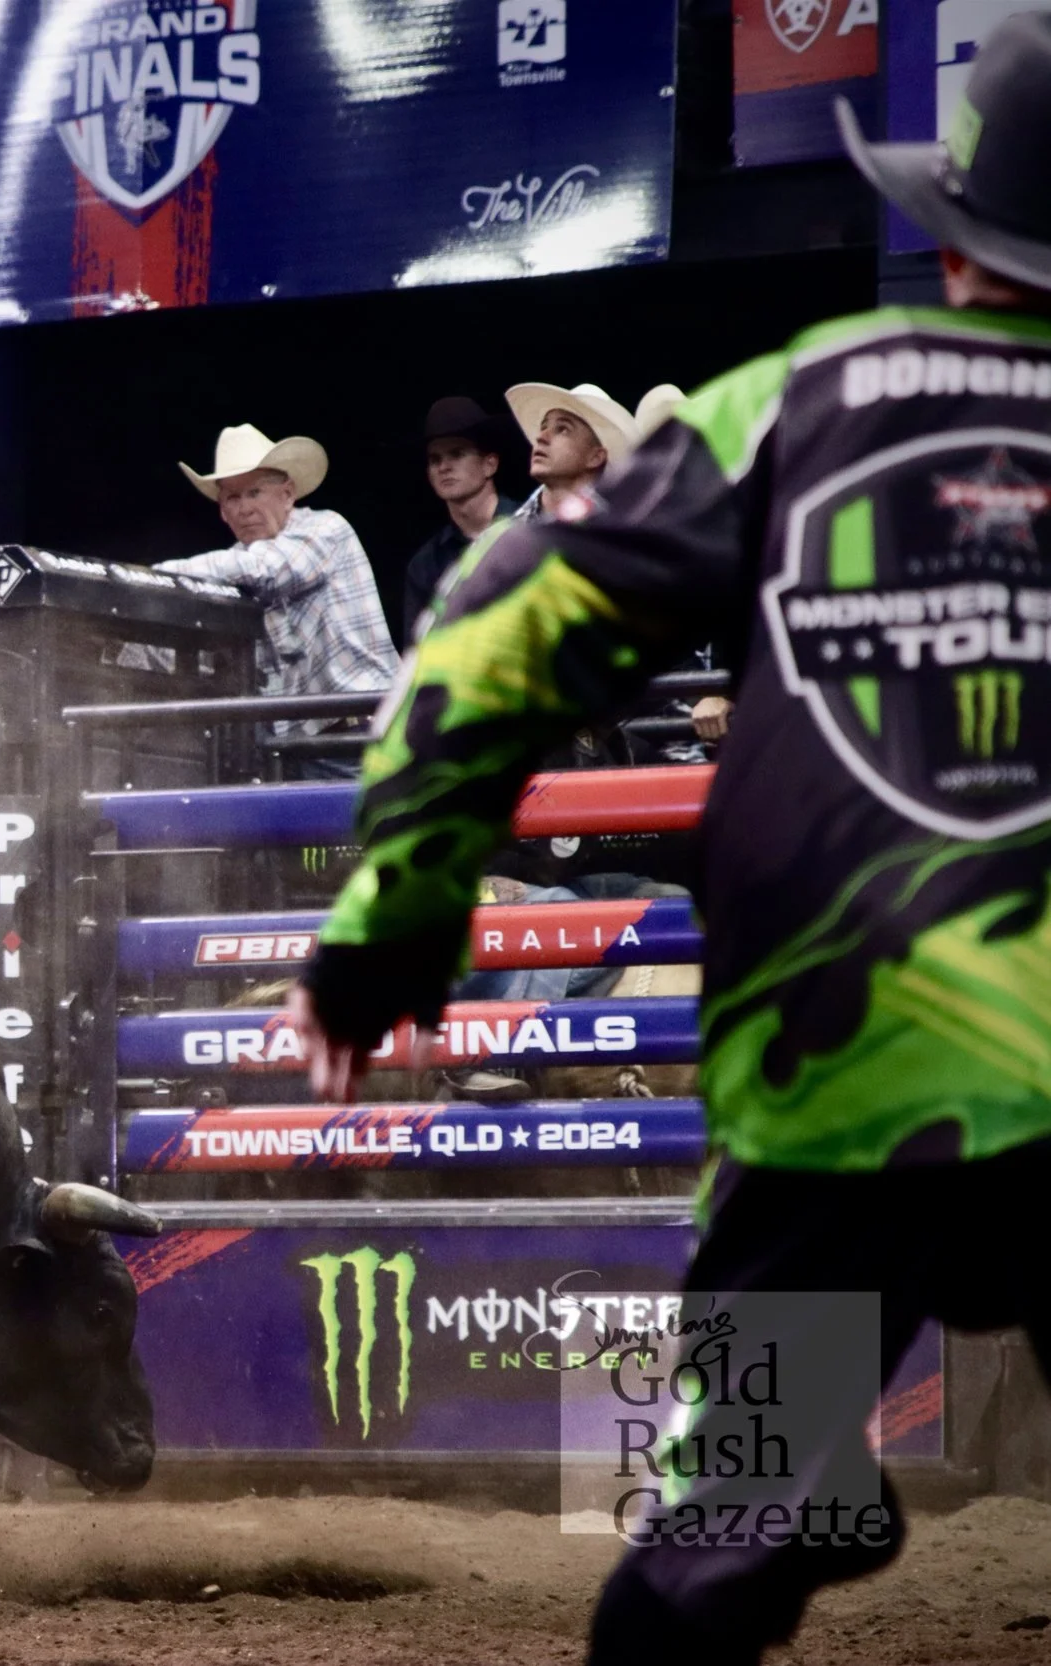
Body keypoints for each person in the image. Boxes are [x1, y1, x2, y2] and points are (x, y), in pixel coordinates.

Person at [286, 18, 1051, 1661]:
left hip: (849, 1072)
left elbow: (500, 626)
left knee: (717, 1538)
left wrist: (394, 920)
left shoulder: (816, 399)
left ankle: (784, 1496)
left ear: (958, 226)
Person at [154, 424, 397, 778]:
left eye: (254, 492)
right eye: (232, 498)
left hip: (364, 736)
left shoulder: (326, 529)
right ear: (222, 511)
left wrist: (158, 576)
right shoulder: (226, 572)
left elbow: (267, 570)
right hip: (293, 751)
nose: (244, 508)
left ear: (287, 494)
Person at [401, 397, 520, 643]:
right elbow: (418, 652)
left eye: (457, 453)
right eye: (435, 459)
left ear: (490, 464)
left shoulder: (530, 526)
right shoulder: (425, 564)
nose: (444, 466)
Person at [504, 382, 636, 524]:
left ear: (595, 457)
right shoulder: (499, 536)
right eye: (543, 426)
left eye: (563, 429)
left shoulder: (616, 533)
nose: (541, 437)